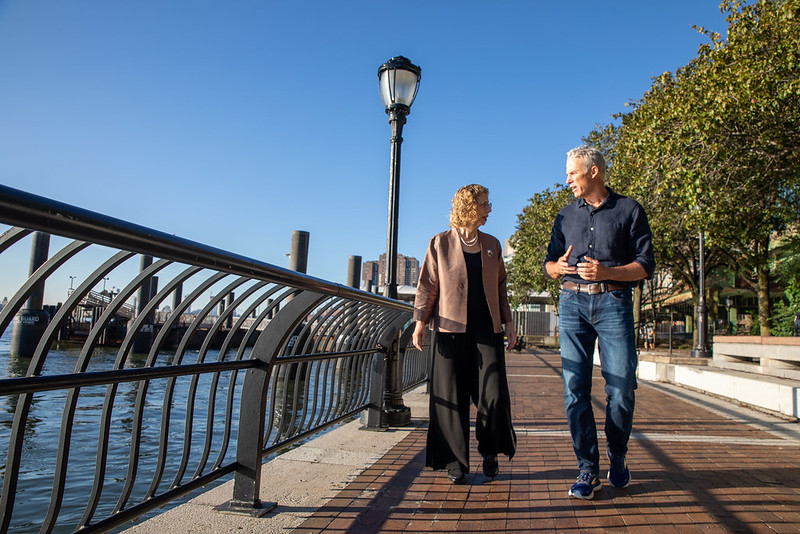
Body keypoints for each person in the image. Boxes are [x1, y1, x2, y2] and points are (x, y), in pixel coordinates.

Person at [544, 146, 655, 500]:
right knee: (575, 389)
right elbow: (549, 263)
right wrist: (557, 268)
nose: (567, 180)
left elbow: (644, 265)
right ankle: (587, 469)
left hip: (614, 302)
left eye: (572, 173)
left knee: (621, 388)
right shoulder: (564, 216)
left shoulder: (629, 210)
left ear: (593, 172)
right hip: (572, 303)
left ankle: (617, 454)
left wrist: (607, 271)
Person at [413, 184, 517, 485]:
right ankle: (454, 461)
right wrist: (420, 322)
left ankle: (491, 451)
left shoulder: (492, 244)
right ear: (468, 208)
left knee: (493, 393)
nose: (489, 209)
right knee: (450, 396)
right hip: (449, 329)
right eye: (484, 204)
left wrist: (508, 323)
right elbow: (428, 285)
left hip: (487, 330)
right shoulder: (440, 243)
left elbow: (500, 289)